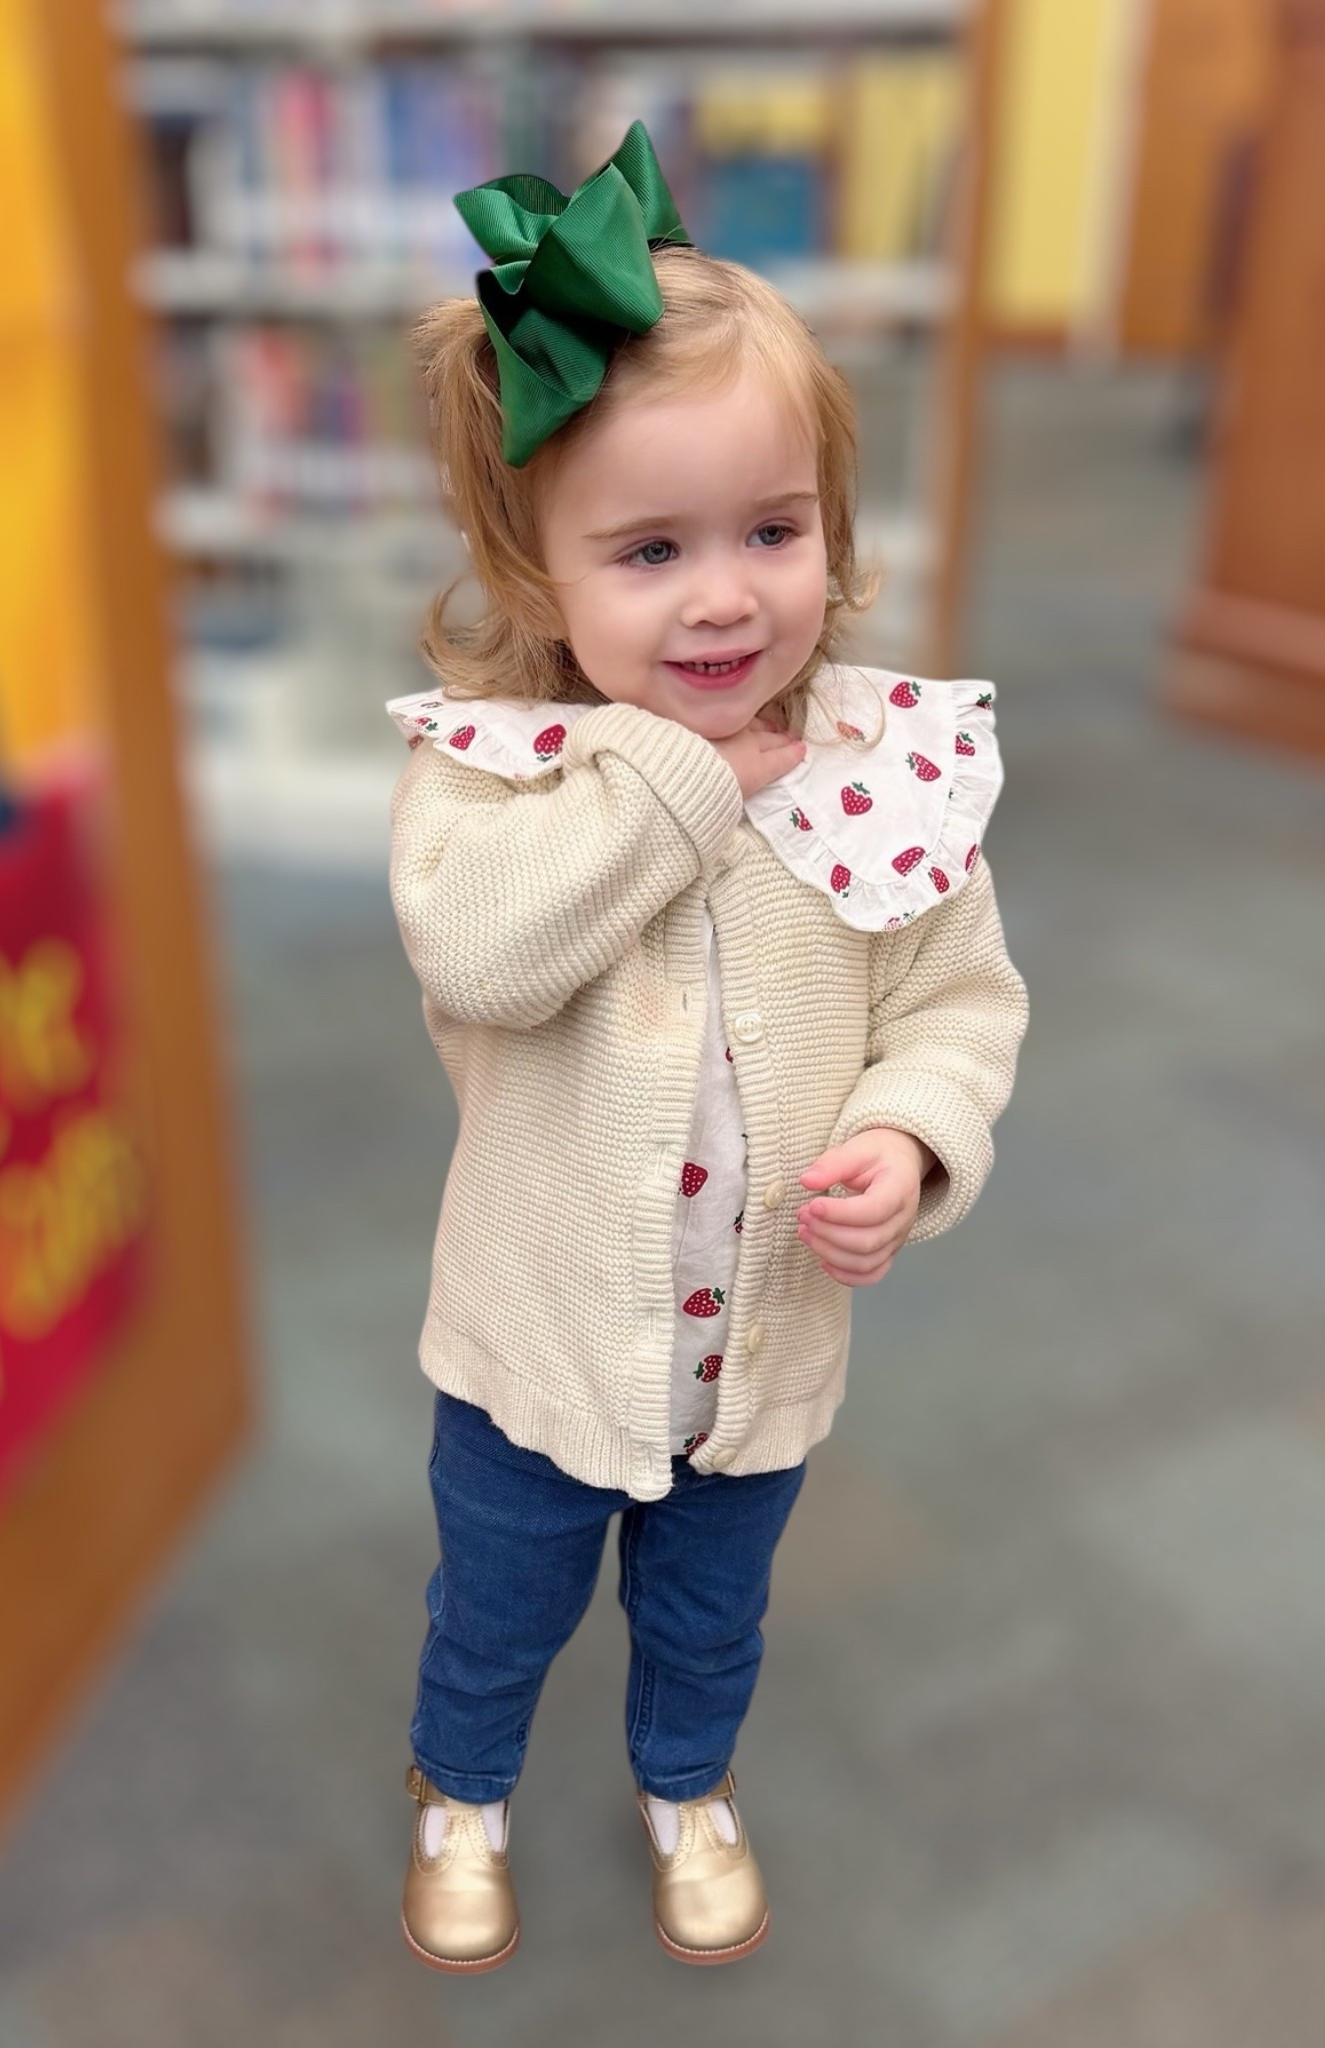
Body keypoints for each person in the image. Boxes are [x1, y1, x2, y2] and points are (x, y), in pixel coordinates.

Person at [384, 122, 1029, 1974]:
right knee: (496, 1607)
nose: (728, 596)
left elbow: (960, 998)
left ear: (835, 520)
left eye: (774, 530)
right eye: (649, 550)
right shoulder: (496, 776)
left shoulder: (885, 777)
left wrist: (911, 1139)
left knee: (711, 1617)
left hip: (760, 1353)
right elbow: (482, 957)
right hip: (530, 1344)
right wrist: (674, 781)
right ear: (533, 575)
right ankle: (463, 1791)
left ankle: (687, 1782)